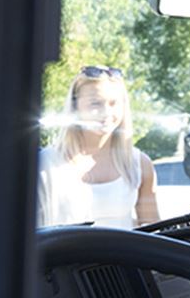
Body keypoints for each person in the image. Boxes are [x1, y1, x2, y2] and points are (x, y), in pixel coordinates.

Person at [38, 66, 159, 229]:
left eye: (113, 103)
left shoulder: (139, 164)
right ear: (75, 107)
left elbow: (155, 236)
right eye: (95, 103)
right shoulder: (45, 164)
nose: (106, 113)